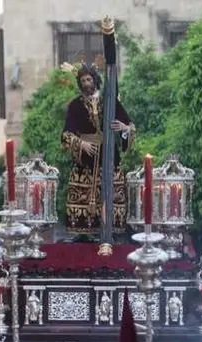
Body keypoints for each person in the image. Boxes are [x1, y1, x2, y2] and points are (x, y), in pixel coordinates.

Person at [60, 62, 134, 235]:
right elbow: (66, 135)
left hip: (108, 156)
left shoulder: (110, 101)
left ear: (95, 80)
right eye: (83, 81)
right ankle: (84, 232)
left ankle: (111, 231)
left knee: (111, 193)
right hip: (85, 159)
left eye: (89, 79)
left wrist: (124, 129)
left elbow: (130, 125)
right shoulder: (75, 105)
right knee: (82, 193)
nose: (86, 83)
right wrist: (82, 144)